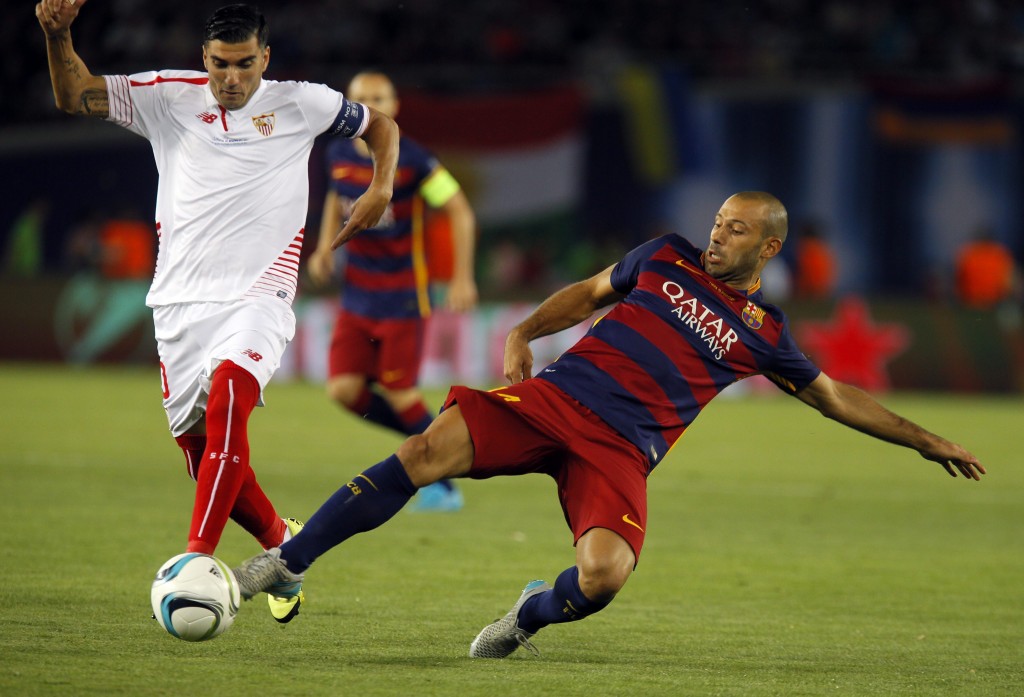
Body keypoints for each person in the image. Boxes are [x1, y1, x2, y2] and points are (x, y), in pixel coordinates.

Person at [231, 192, 984, 656]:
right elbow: (588, 293)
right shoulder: (664, 256)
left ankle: (528, 614)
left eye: (736, 229)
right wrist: (524, 330)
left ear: (769, 246)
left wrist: (924, 438)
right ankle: (290, 559)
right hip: (560, 396)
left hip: (624, 447)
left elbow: (835, 396)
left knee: (604, 576)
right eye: (718, 222)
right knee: (426, 447)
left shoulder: (763, 329)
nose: (718, 236)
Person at [35, 0, 399, 624]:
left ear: (266, 58)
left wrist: (380, 186)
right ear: (203, 58)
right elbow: (74, 96)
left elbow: (381, 126)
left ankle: (196, 560)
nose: (231, 79)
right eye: (220, 65)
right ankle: (283, 545)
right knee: (200, 457)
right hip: (177, 303)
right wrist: (60, 35)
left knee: (232, 394)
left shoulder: (302, 103)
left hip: (259, 294)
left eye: (245, 65)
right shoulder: (165, 96)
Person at [309, 71, 478, 512]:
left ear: (396, 105)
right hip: (357, 296)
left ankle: (443, 479)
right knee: (344, 390)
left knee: (401, 394)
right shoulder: (338, 153)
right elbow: (334, 197)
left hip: (404, 296)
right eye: (361, 98)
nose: (370, 105)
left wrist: (462, 276)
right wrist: (325, 247)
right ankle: (431, 452)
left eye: (378, 97)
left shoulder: (417, 161)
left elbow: (459, 211)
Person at [954, 225, 1019, 309]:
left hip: (972, 302)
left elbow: (958, 281)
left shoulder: (967, 254)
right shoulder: (1000, 254)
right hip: (994, 302)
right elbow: (1008, 282)